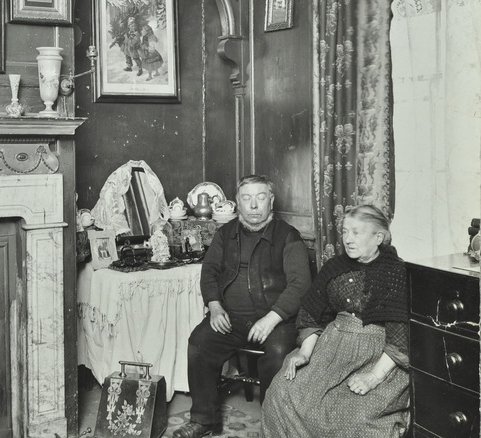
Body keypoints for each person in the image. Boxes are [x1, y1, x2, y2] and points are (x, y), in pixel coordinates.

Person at [173, 175, 312, 438]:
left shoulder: (287, 236)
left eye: (261, 198)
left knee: (280, 352)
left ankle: (273, 425)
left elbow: (300, 284)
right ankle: (205, 419)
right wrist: (214, 306)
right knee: (199, 342)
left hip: (275, 320)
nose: (254, 205)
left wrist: (272, 318)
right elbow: (210, 272)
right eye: (247, 199)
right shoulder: (225, 234)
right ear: (238, 202)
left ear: (270, 200)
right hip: (231, 318)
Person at [262, 204, 411, 437]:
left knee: (355, 417)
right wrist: (305, 353)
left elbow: (399, 340)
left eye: (356, 232)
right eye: (344, 232)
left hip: (377, 358)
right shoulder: (335, 267)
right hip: (330, 350)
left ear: (378, 237)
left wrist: (373, 377)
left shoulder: (396, 272)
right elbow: (312, 314)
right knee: (282, 392)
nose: (348, 239)